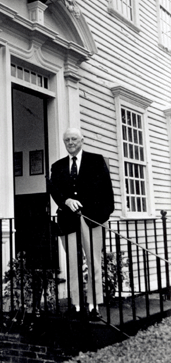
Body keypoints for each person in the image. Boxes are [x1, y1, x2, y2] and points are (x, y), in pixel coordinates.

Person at [49, 127, 114, 319]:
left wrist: (102, 216)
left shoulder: (96, 160)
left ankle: (94, 305)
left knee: (94, 262)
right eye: (67, 140)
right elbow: (55, 191)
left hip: (92, 220)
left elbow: (107, 191)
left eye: (74, 139)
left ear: (82, 140)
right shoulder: (58, 166)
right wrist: (66, 201)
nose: (70, 143)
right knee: (73, 264)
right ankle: (76, 305)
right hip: (68, 221)